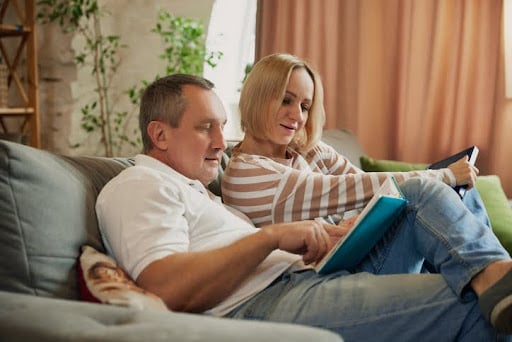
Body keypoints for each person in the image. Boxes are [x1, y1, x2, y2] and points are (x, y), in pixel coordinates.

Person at [96, 73, 512, 341]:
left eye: (222, 126)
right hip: (263, 306)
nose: (223, 144)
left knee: (421, 197)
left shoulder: (196, 190)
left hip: (305, 280)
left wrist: (326, 235)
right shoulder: (139, 184)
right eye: (207, 128)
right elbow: (166, 287)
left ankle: (495, 275)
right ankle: (495, 281)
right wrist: (274, 236)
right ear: (160, 135)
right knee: (469, 303)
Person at [221, 53, 486, 228]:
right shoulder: (247, 173)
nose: (297, 116)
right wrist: (443, 176)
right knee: (434, 188)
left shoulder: (308, 151)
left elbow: (376, 193)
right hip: (333, 267)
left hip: (356, 240)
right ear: (258, 96)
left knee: (461, 189)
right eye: (286, 100)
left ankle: (496, 273)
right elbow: (349, 189)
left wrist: (449, 178)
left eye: (304, 106)